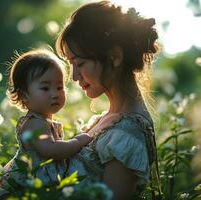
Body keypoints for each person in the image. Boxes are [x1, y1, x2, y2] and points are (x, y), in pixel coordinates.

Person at [55, 1, 160, 199]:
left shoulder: (127, 135)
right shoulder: (110, 119)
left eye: (79, 63)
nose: (74, 76)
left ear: (114, 57)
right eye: (70, 65)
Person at [0, 49, 113, 199]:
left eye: (59, 87)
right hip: (27, 185)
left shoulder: (43, 121)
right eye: (45, 88)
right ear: (24, 95)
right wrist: (80, 140)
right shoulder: (34, 123)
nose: (54, 93)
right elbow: (52, 150)